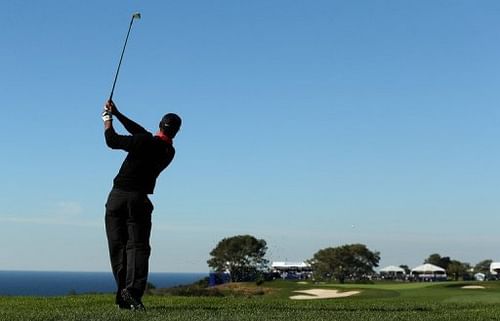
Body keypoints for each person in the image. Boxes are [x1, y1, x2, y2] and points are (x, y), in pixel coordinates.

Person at [101, 100, 181, 311]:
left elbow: (112, 140)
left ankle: (123, 294)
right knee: (137, 247)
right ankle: (132, 292)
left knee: (118, 248)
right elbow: (140, 132)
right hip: (139, 201)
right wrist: (117, 114)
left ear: (160, 124)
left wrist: (107, 119)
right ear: (176, 132)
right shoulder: (168, 152)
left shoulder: (145, 141)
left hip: (117, 198)